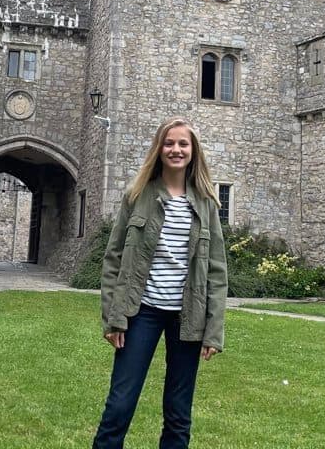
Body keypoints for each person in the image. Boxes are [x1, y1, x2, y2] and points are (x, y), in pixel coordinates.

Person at [93, 117, 228, 449]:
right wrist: (114, 316)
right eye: (169, 143)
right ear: (159, 148)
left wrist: (214, 330)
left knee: (178, 414)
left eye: (183, 144)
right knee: (120, 404)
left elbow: (216, 270)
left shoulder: (207, 202)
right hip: (142, 311)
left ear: (193, 151)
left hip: (188, 317)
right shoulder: (138, 195)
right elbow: (113, 258)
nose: (176, 149)